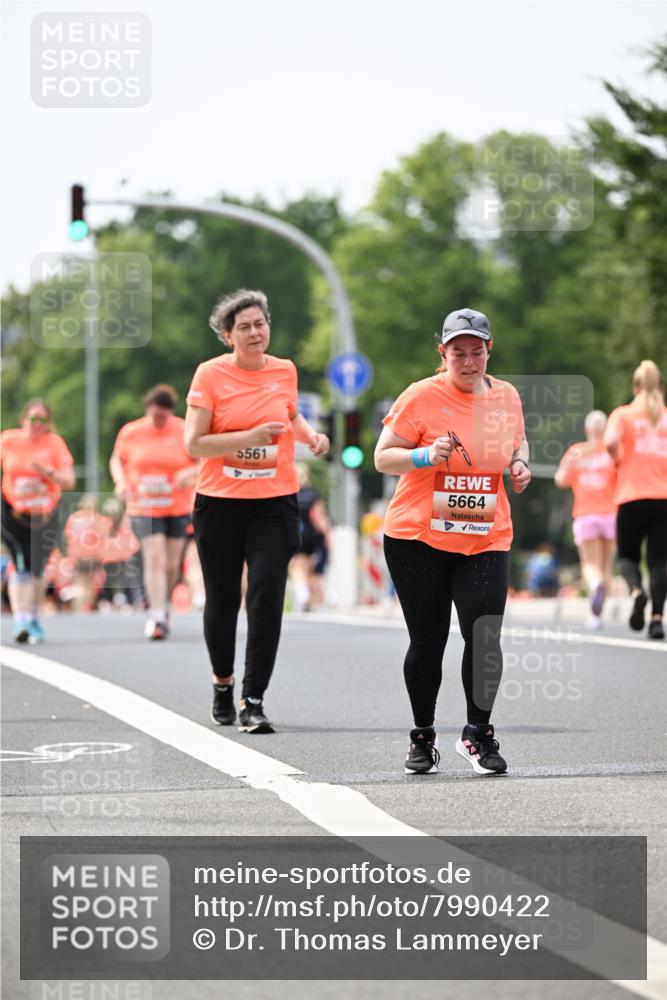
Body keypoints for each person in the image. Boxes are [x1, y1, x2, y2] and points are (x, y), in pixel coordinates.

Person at [374, 308, 530, 776]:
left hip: (485, 534)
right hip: (418, 537)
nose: (468, 361)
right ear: (442, 354)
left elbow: (517, 445)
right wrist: (423, 455)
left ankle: (478, 735)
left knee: (484, 636)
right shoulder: (421, 395)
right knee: (429, 642)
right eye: (457, 353)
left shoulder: (506, 396)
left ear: (489, 350)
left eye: (476, 352)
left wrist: (519, 466)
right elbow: (384, 457)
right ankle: (422, 737)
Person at [184, 289, 329, 734]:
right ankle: (223, 683)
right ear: (228, 335)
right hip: (221, 503)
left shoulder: (284, 370)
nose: (254, 332)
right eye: (244, 326)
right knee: (224, 600)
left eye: (260, 324)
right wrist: (247, 438)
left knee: (266, 595)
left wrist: (309, 436)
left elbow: (288, 415)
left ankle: (254, 699)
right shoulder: (210, 375)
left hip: (274, 501)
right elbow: (194, 443)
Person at [110, 384, 198, 640]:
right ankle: (157, 616)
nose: (159, 420)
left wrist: (189, 474)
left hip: (177, 505)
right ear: (148, 409)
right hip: (143, 505)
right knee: (155, 557)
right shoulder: (132, 432)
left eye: (164, 416)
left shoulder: (183, 429)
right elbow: (117, 459)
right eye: (155, 415)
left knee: (172, 565)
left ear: (170, 412)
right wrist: (121, 481)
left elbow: (204, 462)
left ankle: (164, 605)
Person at [0, 399, 75, 642]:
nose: (37, 424)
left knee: (38, 569)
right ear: (24, 419)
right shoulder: (8, 440)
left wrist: (48, 473)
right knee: (20, 564)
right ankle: (20, 619)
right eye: (33, 418)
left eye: (42, 420)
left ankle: (32, 616)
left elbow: (69, 481)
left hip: (45, 515)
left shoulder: (54, 444)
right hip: (14, 513)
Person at [604, 360, 667, 640]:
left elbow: (609, 442)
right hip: (664, 498)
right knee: (659, 561)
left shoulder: (624, 414)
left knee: (627, 556)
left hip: (631, 495)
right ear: (660, 387)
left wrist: (619, 460)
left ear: (635, 387)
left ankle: (635, 590)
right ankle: (656, 619)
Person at [555, 411, 617, 629]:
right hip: (611, 514)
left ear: (587, 429)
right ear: (605, 429)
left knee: (590, 565)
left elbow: (560, 480)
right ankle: (597, 615)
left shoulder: (577, 452)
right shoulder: (613, 452)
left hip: (585, 514)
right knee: (606, 565)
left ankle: (595, 586)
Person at [290, 463, 332, 611]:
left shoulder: (290, 494)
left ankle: (303, 595)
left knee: (297, 566)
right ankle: (317, 602)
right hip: (312, 536)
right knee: (312, 569)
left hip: (296, 533)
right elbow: (319, 517)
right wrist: (328, 535)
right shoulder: (313, 495)